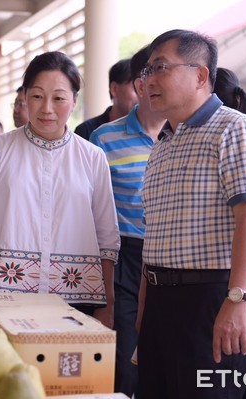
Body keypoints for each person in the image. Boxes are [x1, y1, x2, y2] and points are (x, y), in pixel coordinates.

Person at [0, 51, 120, 329]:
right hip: (0, 294)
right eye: (37, 96)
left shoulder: (92, 157)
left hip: (74, 300)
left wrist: (108, 304)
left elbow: (106, 236)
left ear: (74, 101)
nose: (47, 109)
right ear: (25, 96)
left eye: (59, 98)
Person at [136, 29, 246, 398]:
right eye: (147, 71)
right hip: (162, 304)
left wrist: (238, 300)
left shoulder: (234, 129)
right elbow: (156, 236)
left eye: (160, 67)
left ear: (199, 75)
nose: (149, 79)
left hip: (213, 300)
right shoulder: (162, 145)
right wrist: (144, 315)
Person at [89, 45, 165, 398]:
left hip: (171, 259)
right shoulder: (104, 139)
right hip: (124, 258)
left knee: (165, 358)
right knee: (125, 357)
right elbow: (91, 213)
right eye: (158, 71)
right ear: (140, 84)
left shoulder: (186, 136)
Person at [213, 67, 246, 399]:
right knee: (243, 374)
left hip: (231, 284)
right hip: (238, 283)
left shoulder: (237, 133)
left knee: (229, 376)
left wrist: (237, 298)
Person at [74, 59, 138, 140]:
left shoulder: (151, 132)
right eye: (135, 88)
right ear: (114, 89)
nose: (141, 94)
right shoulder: (86, 131)